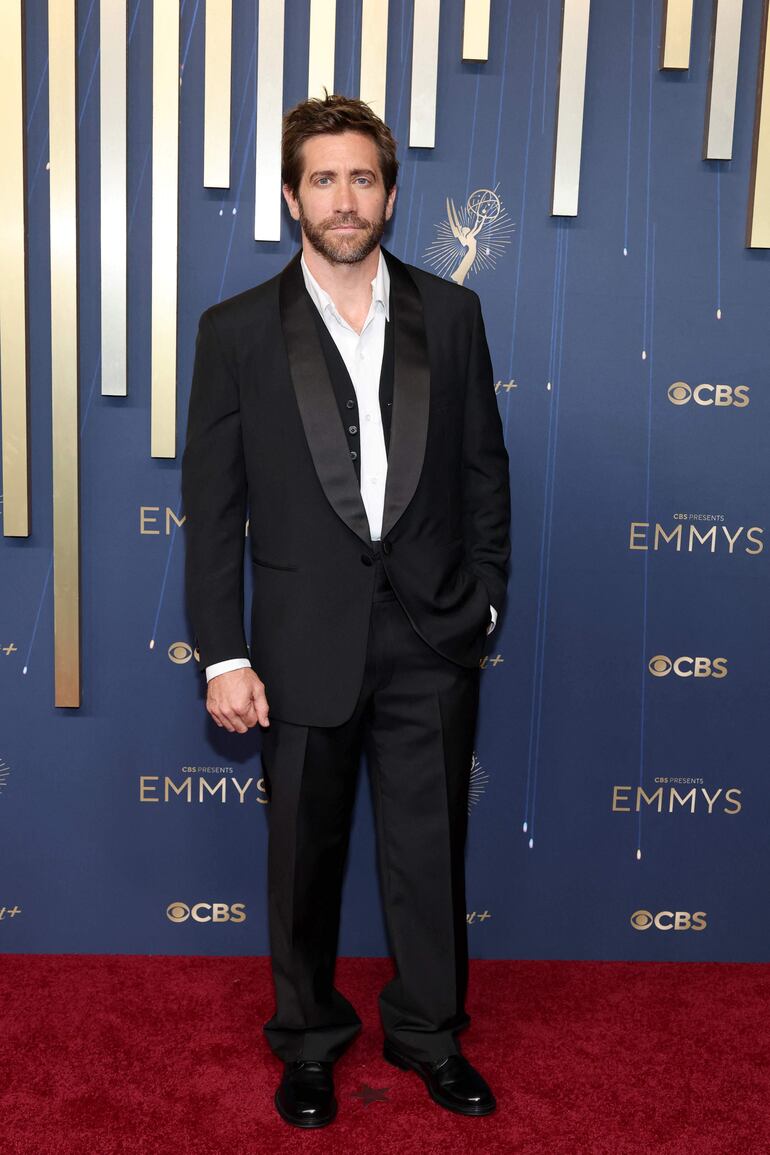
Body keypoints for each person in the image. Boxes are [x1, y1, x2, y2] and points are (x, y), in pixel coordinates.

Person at [181, 93, 511, 1129]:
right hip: (297, 644)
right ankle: (309, 1041)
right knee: (302, 859)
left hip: (431, 636)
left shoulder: (450, 316)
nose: (343, 198)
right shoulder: (236, 331)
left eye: (361, 177)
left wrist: (483, 603)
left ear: (390, 194)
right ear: (292, 197)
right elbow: (212, 511)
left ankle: (428, 1033)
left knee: (429, 852)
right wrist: (223, 653)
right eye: (322, 179)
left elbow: (484, 473)